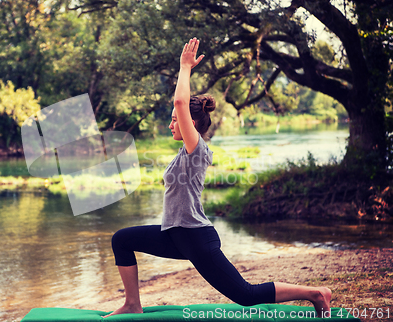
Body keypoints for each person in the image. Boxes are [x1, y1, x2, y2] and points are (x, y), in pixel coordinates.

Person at [103, 37, 332, 319]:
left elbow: (179, 100)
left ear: (192, 123)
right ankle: (132, 304)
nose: (171, 123)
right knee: (122, 240)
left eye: (176, 119)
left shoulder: (196, 149)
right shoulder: (182, 154)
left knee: (245, 295)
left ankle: (315, 294)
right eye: (173, 119)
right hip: (174, 234)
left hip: (195, 236)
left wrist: (184, 67)